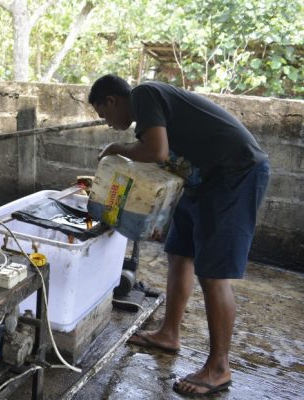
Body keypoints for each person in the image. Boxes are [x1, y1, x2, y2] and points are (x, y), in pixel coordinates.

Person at [88, 74, 269, 397]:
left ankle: (218, 368)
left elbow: (157, 152)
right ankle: (169, 333)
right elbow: (165, 165)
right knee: (179, 253)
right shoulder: (149, 111)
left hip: (234, 174)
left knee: (213, 274)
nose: (110, 124)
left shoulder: (144, 94)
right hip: (200, 180)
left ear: (112, 100)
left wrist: (118, 148)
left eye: (105, 115)